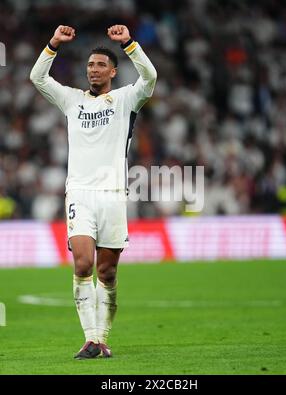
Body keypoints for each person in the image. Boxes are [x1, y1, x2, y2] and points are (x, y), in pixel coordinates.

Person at [30, 25, 157, 359]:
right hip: (81, 194)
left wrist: (129, 44)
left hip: (113, 193)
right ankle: (90, 339)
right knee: (83, 263)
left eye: (100, 65)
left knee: (108, 272)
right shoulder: (72, 100)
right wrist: (53, 44)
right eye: (90, 65)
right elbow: (38, 78)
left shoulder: (127, 98)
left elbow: (150, 77)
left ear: (113, 71)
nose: (93, 70)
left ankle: (102, 338)